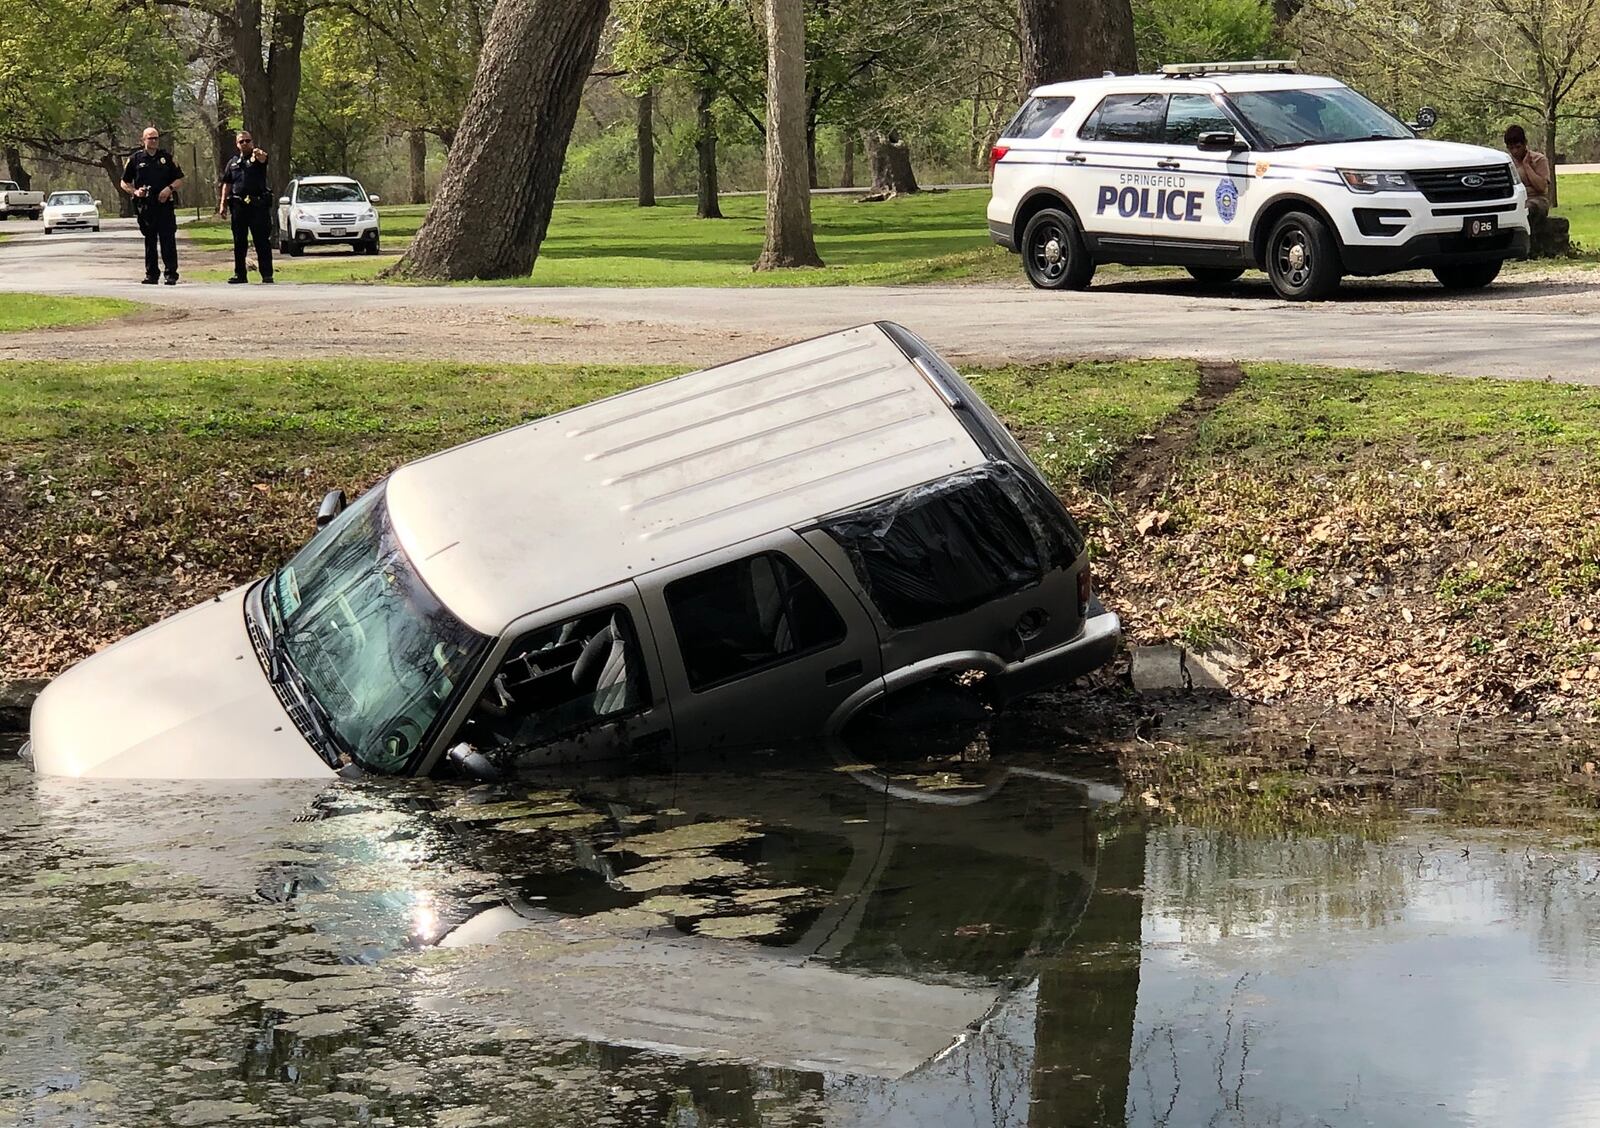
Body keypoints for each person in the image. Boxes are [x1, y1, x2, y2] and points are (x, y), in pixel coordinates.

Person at [119, 126, 184, 285]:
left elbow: (180, 179)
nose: (154, 141)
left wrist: (169, 189)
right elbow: (124, 182)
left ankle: (171, 274)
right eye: (150, 138)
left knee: (168, 239)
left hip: (164, 205)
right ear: (144, 140)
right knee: (150, 241)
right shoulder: (136, 159)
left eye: (156, 138)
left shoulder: (166, 158)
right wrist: (135, 192)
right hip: (146, 206)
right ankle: (151, 274)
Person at [218, 130, 274, 284]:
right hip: (238, 206)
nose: (244, 144)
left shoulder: (257, 157)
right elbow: (227, 183)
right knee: (239, 242)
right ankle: (240, 274)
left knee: (261, 241)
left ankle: (267, 274)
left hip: (257, 206)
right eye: (241, 141)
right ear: (237, 144)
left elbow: (263, 158)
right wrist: (222, 204)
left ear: (252, 142)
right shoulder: (233, 162)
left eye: (247, 141)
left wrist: (258, 153)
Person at [1504, 125, 1552, 221]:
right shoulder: (1507, 162)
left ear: (1525, 143)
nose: (1515, 151)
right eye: (1511, 148)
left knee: (1527, 209)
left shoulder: (1539, 159)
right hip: (1515, 200)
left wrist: (1527, 166)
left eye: (1518, 147)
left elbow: (1542, 187)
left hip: (1536, 200)